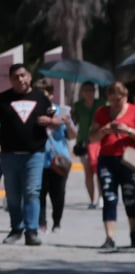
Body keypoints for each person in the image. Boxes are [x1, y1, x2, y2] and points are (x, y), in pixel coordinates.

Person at [0, 63, 60, 246]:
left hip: (35, 153)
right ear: (10, 80)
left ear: (29, 77)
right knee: (12, 195)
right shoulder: (3, 100)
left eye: (23, 75)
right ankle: (16, 229)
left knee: (32, 192)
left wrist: (50, 120)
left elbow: (56, 120)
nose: (20, 79)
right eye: (16, 77)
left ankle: (31, 231)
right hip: (9, 154)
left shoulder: (41, 98)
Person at [89, 81, 135, 250]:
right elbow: (92, 137)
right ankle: (109, 237)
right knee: (109, 197)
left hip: (129, 160)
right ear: (108, 98)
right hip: (107, 159)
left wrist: (127, 130)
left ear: (125, 96)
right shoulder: (102, 112)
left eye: (119, 99)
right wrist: (103, 131)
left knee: (130, 198)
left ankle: (133, 232)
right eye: (113, 99)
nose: (116, 103)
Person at [34, 79, 77, 233]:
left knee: (58, 194)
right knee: (39, 194)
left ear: (51, 95)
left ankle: (57, 222)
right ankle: (41, 222)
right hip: (39, 158)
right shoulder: (34, 111)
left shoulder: (62, 111)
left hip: (59, 159)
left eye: (44, 93)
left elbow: (72, 136)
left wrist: (67, 123)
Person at [71, 81, 106, 209]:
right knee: (88, 172)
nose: (88, 93)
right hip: (83, 142)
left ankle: (101, 197)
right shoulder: (78, 106)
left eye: (91, 90)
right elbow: (74, 122)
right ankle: (92, 199)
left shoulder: (101, 103)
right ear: (82, 92)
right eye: (86, 90)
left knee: (99, 170)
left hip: (98, 141)